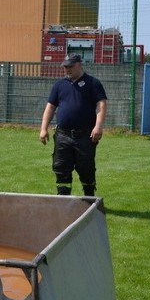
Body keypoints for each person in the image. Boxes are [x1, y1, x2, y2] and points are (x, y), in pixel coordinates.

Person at [39, 53, 108, 196]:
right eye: (65, 67)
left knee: (86, 168)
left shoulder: (92, 83)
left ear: (79, 64)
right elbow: (50, 107)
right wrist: (43, 128)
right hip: (63, 135)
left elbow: (101, 104)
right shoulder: (60, 84)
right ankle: (63, 200)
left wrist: (98, 126)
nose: (67, 70)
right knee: (61, 167)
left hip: (85, 135)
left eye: (70, 66)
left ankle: (89, 199)